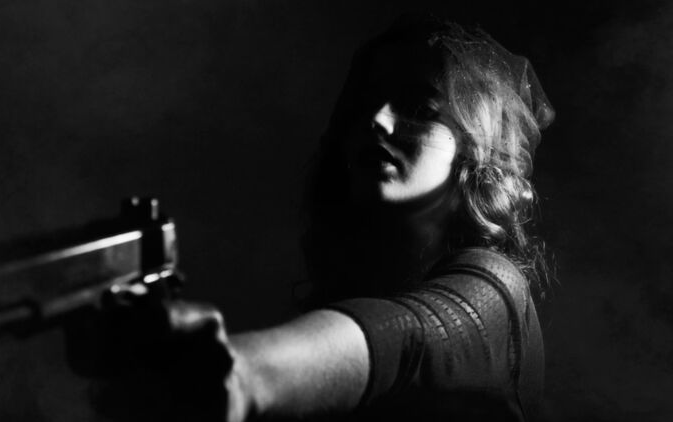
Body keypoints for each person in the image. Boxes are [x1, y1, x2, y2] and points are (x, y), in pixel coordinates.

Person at [84, 15, 554, 422]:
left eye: (418, 108)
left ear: (476, 151)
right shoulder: (356, 287)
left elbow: (410, 337)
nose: (377, 119)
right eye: (365, 102)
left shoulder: (496, 291)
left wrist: (243, 373)